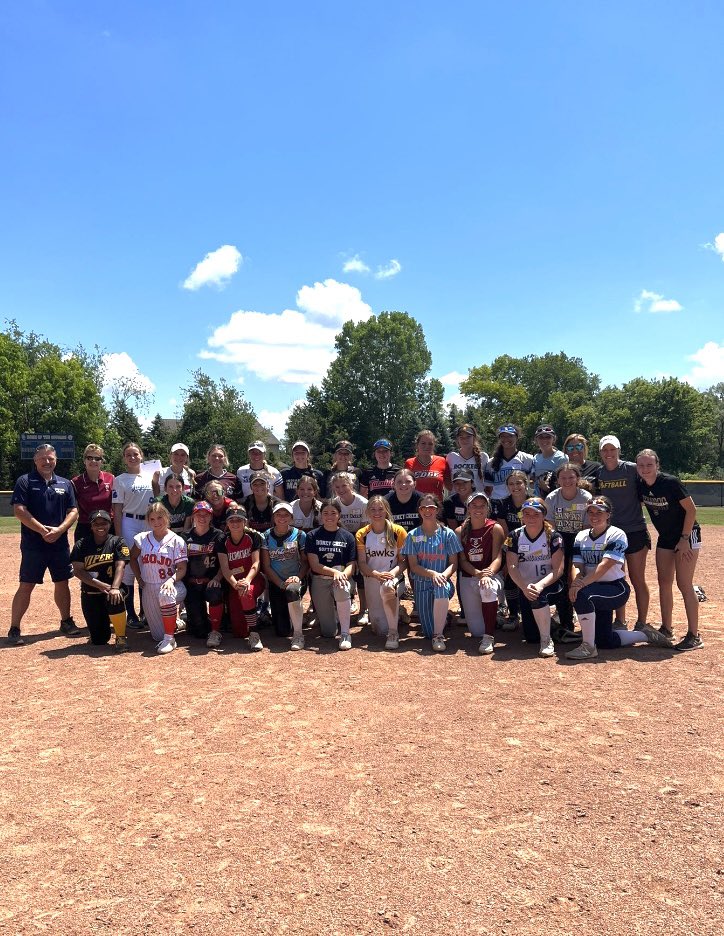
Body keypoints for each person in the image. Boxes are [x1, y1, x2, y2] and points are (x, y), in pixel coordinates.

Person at [565, 497, 673, 661]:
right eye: (591, 512)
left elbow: (605, 565)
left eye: (599, 512)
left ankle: (588, 646)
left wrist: (580, 586)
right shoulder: (581, 536)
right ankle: (643, 635)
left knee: (582, 596)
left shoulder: (616, 534)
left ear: (608, 514)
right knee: (605, 641)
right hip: (592, 587)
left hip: (614, 589)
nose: (594, 515)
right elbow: (577, 566)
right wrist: (575, 582)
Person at [8, 443, 82, 645]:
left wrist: (59, 530)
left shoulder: (65, 484)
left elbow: (73, 511)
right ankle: (14, 628)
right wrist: (42, 530)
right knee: (27, 584)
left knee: (62, 582)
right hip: (34, 544)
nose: (47, 462)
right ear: (35, 460)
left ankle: (66, 621)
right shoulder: (25, 481)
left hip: (59, 544)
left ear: (56, 460)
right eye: (43, 458)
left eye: (50, 458)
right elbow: (19, 510)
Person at [636, 449, 703, 651]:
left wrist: (684, 539)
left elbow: (691, 510)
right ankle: (666, 628)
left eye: (649, 465)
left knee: (684, 583)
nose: (645, 469)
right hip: (666, 537)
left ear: (657, 465)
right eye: (641, 465)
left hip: (687, 534)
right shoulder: (640, 485)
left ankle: (694, 635)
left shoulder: (670, 482)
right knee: (664, 582)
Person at [595, 435, 650, 630]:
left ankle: (642, 621)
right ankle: (620, 620)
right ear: (600, 452)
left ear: (619, 450)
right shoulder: (599, 473)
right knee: (617, 577)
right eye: (605, 450)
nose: (609, 453)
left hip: (635, 530)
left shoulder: (632, 469)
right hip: (612, 533)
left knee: (637, 579)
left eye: (612, 449)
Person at [401, 494, 463, 652]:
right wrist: (433, 574)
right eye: (423, 508)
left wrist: (442, 576)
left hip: (442, 582)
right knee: (427, 632)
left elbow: (453, 564)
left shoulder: (448, 534)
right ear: (419, 511)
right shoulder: (413, 536)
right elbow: (413, 566)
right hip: (422, 584)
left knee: (440, 589)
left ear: (437, 510)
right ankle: (442, 620)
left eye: (431, 507)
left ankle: (439, 636)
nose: (427, 510)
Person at [505, 497, 565, 658]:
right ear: (522, 516)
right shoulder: (515, 536)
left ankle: (547, 640)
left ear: (544, 515)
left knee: (540, 597)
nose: (531, 518)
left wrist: (540, 585)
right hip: (526, 586)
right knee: (531, 637)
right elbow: (512, 566)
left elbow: (558, 569)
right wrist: (524, 587)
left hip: (549, 584)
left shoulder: (553, 536)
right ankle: (547, 624)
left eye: (536, 514)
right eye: (527, 514)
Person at [129, 503, 188, 654]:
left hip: (172, 586)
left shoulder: (177, 540)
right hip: (149, 587)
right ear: (148, 521)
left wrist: (171, 580)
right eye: (152, 519)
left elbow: (182, 569)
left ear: (167, 517)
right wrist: (138, 577)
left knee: (165, 594)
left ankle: (170, 639)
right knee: (157, 636)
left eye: (160, 517)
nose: (157, 522)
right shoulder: (142, 539)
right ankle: (174, 624)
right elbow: (132, 558)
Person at [70, 509, 130, 651]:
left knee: (115, 597)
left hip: (111, 590)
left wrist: (114, 588)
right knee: (99, 640)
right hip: (90, 593)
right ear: (91, 526)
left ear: (109, 524)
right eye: (96, 524)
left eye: (103, 523)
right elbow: (78, 570)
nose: (100, 526)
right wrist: (98, 584)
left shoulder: (117, 541)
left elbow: (120, 566)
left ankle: (121, 637)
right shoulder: (82, 544)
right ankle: (101, 627)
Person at [545, 463, 592, 640]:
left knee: (577, 579)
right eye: (563, 478)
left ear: (577, 478)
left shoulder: (585, 497)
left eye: (571, 477)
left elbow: (588, 525)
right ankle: (566, 622)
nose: (567, 481)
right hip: (560, 539)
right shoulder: (552, 497)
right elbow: (550, 525)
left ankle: (585, 619)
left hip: (580, 539)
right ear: (557, 480)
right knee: (562, 580)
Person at [112, 442, 155, 628]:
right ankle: (130, 614)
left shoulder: (152, 474)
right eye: (128, 454)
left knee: (147, 564)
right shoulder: (120, 479)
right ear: (124, 458)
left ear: (141, 456)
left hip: (149, 521)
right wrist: (120, 536)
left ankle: (145, 611)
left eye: (135, 454)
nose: (132, 457)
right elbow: (117, 509)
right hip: (129, 521)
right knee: (130, 566)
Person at [456, 492, 505, 654]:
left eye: (482, 505)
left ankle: (489, 637)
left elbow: (498, 556)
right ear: (468, 508)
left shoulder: (494, 528)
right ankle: (492, 617)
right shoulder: (460, 531)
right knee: (476, 630)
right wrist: (478, 573)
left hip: (490, 575)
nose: (478, 509)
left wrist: (487, 573)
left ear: (487, 508)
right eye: (474, 505)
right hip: (470, 576)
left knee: (488, 588)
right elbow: (462, 561)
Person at [355, 497, 408, 649]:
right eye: (373, 509)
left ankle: (393, 632)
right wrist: (376, 574)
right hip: (372, 578)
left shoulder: (398, 531)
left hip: (393, 577)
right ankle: (399, 611)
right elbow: (362, 563)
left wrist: (392, 573)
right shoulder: (362, 534)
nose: (377, 513)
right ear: (367, 512)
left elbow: (403, 562)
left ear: (386, 511)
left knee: (387, 589)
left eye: (380, 509)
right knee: (378, 629)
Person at [305, 500, 357, 649]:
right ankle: (334, 613)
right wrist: (334, 572)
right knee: (329, 632)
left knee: (341, 588)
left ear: (339, 515)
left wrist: (342, 576)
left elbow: (351, 565)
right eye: (325, 513)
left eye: (333, 513)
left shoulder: (347, 537)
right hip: (320, 579)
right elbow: (314, 565)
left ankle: (346, 633)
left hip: (341, 578)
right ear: (320, 515)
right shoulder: (312, 535)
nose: (329, 516)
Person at [216, 505, 266, 650]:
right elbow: (225, 569)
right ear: (227, 523)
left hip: (253, 579)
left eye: (239, 520)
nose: (235, 523)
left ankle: (255, 634)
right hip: (235, 583)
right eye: (231, 520)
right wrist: (235, 584)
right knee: (239, 631)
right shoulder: (222, 540)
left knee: (247, 592)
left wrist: (247, 581)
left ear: (245, 522)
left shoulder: (253, 536)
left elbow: (256, 562)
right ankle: (252, 620)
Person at [261, 503, 309, 649]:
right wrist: (280, 584)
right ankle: (292, 615)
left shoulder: (300, 535)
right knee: (282, 631)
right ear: (273, 517)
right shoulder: (266, 536)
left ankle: (298, 634)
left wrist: (297, 578)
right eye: (278, 515)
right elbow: (266, 566)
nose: (282, 518)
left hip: (295, 580)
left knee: (292, 591)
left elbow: (306, 563)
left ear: (291, 518)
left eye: (286, 515)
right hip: (277, 583)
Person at [489, 469, 529, 630]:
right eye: (511, 484)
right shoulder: (503, 504)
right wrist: (511, 555)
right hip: (511, 546)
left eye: (519, 483)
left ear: (526, 484)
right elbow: (505, 532)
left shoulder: (534, 501)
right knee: (510, 578)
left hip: (534, 547)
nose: (515, 486)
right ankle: (513, 614)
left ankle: (531, 613)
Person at [182, 501, 225, 641]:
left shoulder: (218, 536)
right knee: (199, 632)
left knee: (215, 593)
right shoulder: (184, 537)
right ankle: (196, 619)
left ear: (211, 517)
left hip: (211, 582)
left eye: (206, 514)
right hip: (192, 584)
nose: (202, 517)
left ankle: (216, 629)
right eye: (198, 514)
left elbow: (224, 564)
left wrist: (217, 578)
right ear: (193, 517)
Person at [71, 444, 114, 543]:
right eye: (89, 458)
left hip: (108, 527)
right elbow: (72, 509)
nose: (93, 461)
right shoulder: (75, 482)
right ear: (84, 461)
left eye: (97, 458)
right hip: (86, 527)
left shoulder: (111, 478)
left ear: (101, 461)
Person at [484, 425, 534, 501]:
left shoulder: (528, 459)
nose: (506, 439)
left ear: (517, 437)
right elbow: (488, 488)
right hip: (497, 503)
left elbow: (533, 483)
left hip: (520, 502)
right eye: (503, 436)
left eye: (510, 436)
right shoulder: (491, 462)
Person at [405, 430, 447, 499]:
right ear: (417, 445)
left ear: (434, 446)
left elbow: (449, 485)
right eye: (423, 443)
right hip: (416, 506)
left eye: (430, 444)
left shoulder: (441, 461)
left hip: (436, 506)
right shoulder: (409, 463)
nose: (427, 446)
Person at [445, 424, 488, 493]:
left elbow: (488, 482)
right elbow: (446, 479)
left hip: (477, 499)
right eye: (461, 437)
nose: (465, 440)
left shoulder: (483, 456)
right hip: (457, 499)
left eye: (468, 437)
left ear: (474, 438)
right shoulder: (451, 457)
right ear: (457, 440)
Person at [531, 425, 567, 496]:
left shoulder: (562, 458)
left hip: (556, 499)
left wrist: (548, 489)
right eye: (541, 437)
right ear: (536, 440)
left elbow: (566, 482)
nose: (544, 440)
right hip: (539, 499)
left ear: (554, 439)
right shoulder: (536, 458)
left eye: (548, 437)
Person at [385, 468, 423, 533]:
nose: (403, 484)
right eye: (399, 482)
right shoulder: (385, 502)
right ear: (393, 484)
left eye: (408, 481)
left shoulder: (423, 500)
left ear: (414, 484)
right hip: (393, 540)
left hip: (419, 539)